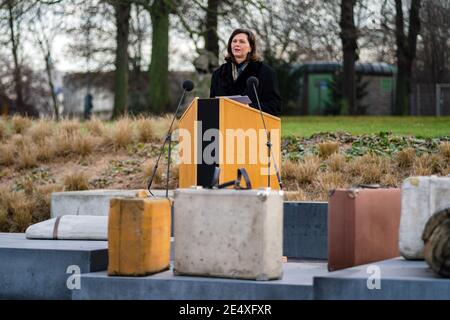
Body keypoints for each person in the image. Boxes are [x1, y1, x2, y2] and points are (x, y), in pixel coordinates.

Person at [210, 28, 281, 117]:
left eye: (242, 42)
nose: (237, 44)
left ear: (251, 48)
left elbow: (275, 106)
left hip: (253, 127)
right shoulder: (218, 74)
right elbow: (212, 106)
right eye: (234, 41)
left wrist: (250, 108)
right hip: (223, 127)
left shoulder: (265, 72)